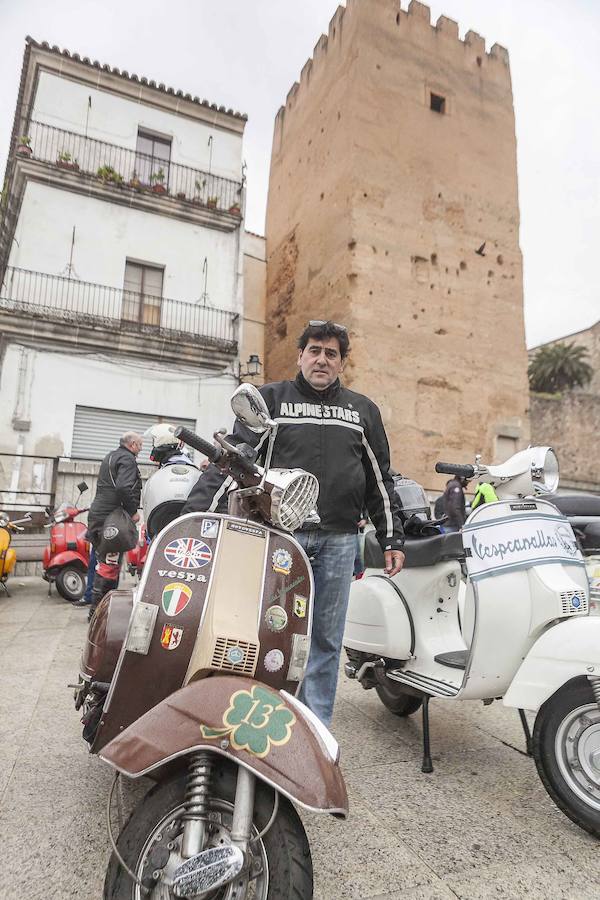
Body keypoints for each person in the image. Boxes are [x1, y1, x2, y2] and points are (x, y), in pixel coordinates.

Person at [182, 320, 405, 726]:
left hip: (339, 541)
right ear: (300, 356)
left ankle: (315, 730)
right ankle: (264, 719)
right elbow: (234, 462)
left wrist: (392, 539)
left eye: (331, 353)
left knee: (325, 640)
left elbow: (379, 479)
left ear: (341, 363)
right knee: (268, 633)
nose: (322, 359)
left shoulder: (362, 411)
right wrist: (192, 519)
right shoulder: (270, 400)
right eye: (314, 351)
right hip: (280, 537)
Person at [82, 432, 143, 619]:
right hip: (111, 519)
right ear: (132, 444)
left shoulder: (111, 456)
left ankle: (100, 610)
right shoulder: (127, 459)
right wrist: (133, 511)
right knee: (109, 566)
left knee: (103, 563)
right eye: (140, 445)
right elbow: (124, 487)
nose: (141, 449)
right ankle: (98, 615)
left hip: (98, 515)